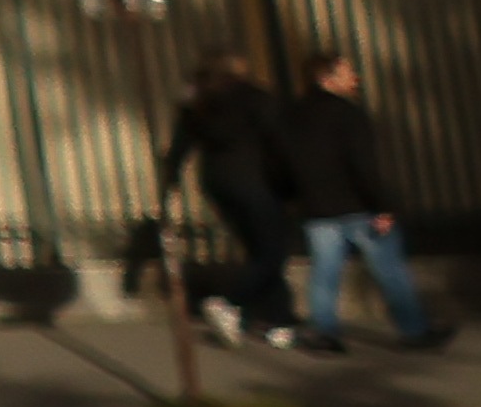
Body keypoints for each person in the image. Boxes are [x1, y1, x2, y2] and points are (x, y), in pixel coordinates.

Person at [278, 47, 444, 351]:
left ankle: (325, 333)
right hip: (357, 206)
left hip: (316, 208)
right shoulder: (347, 113)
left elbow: (282, 163)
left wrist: (294, 197)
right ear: (326, 77)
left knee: (324, 274)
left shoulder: (292, 115)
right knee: (390, 271)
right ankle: (415, 331)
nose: (354, 77)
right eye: (346, 71)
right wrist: (382, 206)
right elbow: (363, 165)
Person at [169, 57, 304, 347]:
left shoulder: (197, 104)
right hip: (256, 182)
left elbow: (179, 148)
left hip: (217, 182)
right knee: (272, 253)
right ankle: (229, 302)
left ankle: (279, 321)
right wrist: (292, 186)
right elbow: (279, 144)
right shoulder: (255, 99)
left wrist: (169, 183)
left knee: (260, 250)